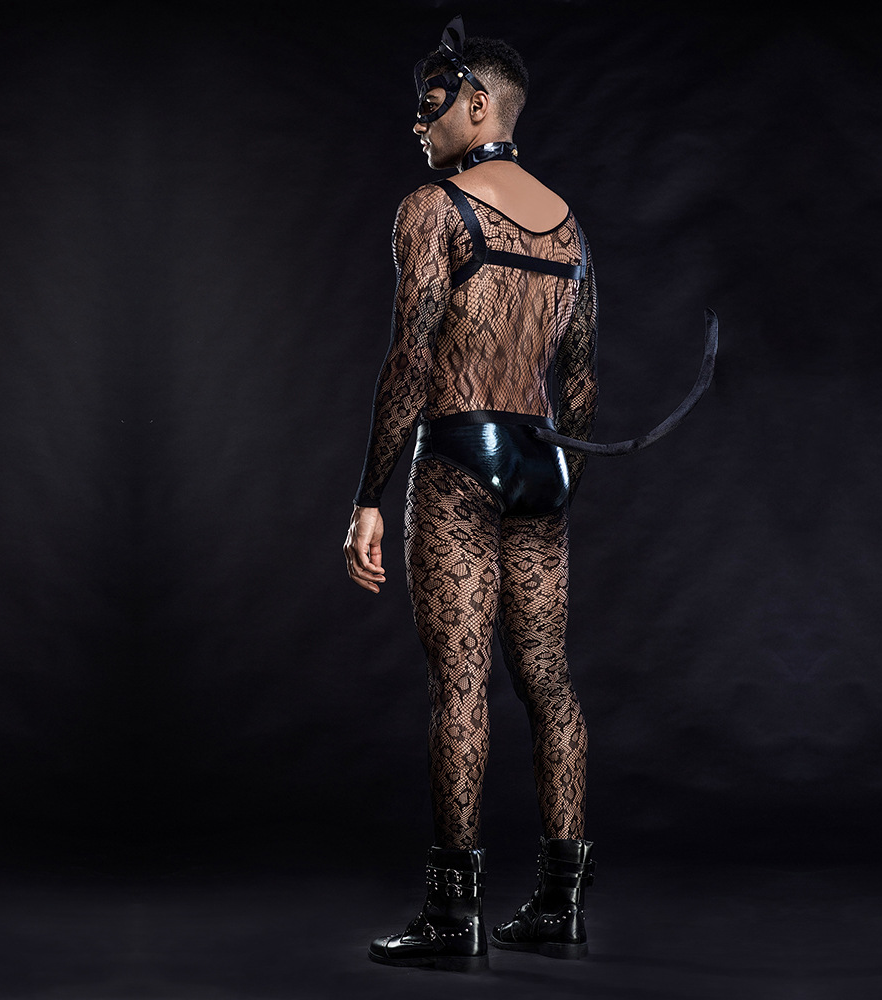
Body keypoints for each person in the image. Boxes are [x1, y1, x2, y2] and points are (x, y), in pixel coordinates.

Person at [344, 17, 597, 971]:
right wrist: (553, 472)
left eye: (432, 103)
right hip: (543, 465)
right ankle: (561, 906)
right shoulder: (569, 226)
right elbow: (581, 386)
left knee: (461, 684)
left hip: (457, 456)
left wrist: (369, 494)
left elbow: (410, 362)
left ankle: (454, 918)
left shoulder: (433, 209)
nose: (419, 123)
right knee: (549, 679)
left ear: (480, 104)